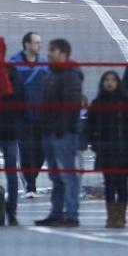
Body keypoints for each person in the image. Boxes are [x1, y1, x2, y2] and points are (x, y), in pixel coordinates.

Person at [34, 39, 83, 228]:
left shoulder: (69, 74)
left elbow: (71, 106)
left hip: (63, 133)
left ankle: (71, 214)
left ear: (63, 53)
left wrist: (60, 129)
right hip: (52, 131)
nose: (48, 53)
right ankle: (57, 212)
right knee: (56, 175)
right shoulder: (53, 73)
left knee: (67, 174)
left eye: (52, 50)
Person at [87, 71, 128, 228]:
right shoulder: (97, 103)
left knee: (122, 183)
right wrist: (95, 144)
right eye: (106, 80)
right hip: (105, 150)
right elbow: (90, 127)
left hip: (123, 150)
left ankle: (122, 217)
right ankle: (111, 217)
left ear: (118, 83)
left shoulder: (127, 102)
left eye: (113, 80)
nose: (109, 83)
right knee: (109, 184)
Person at [0, 45, 25, 226]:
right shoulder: (12, 73)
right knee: (9, 172)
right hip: (7, 128)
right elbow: (21, 99)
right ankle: (9, 211)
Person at [10, 32, 48, 198]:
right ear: (26, 44)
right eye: (36, 43)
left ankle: (31, 177)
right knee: (25, 150)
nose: (39, 46)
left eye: (40, 43)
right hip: (21, 115)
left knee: (42, 150)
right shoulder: (14, 64)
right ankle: (29, 185)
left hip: (42, 114)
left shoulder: (44, 64)